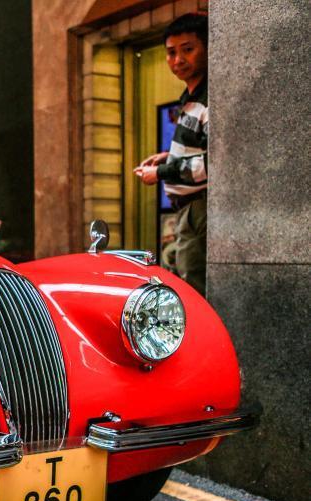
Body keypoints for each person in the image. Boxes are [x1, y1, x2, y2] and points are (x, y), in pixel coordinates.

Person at [134, 13, 208, 295]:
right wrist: (168, 156)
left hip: (198, 208)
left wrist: (161, 172)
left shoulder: (208, 99)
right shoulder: (189, 98)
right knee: (177, 278)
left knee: (193, 290)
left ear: (208, 48)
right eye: (171, 52)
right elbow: (199, 149)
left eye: (188, 49)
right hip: (186, 210)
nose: (178, 59)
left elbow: (216, 164)